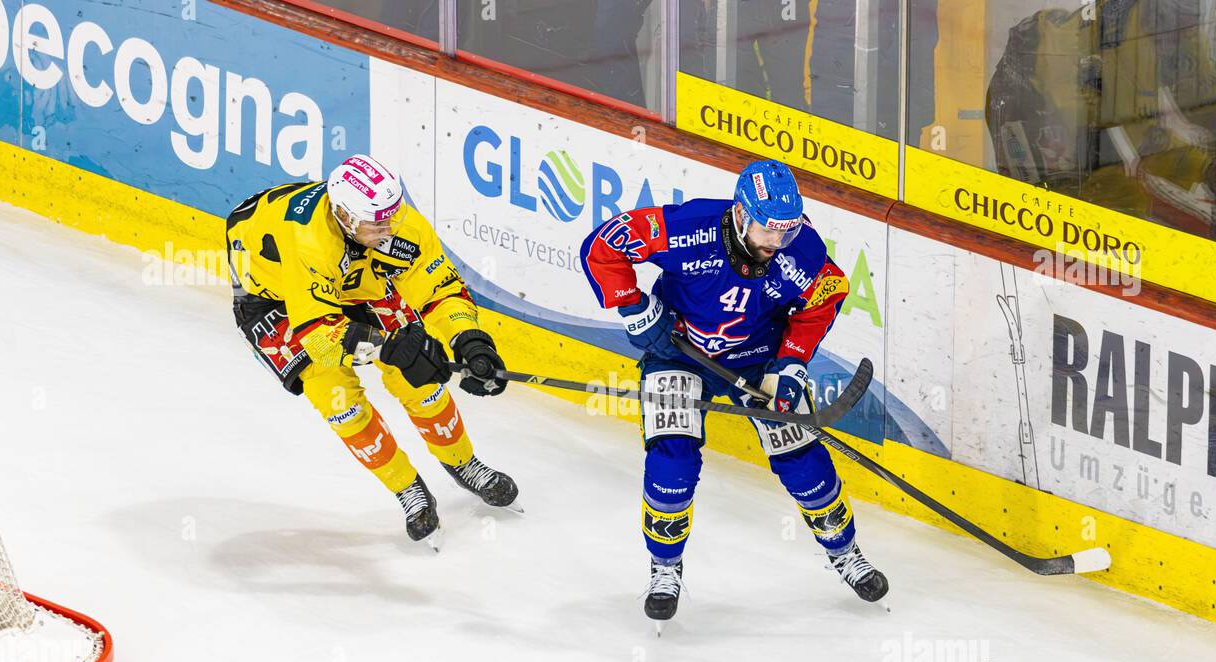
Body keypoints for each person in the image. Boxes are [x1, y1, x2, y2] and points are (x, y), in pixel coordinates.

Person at [579, 159, 888, 623]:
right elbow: (602, 246)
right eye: (769, 232)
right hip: (677, 352)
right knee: (673, 459)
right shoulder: (688, 228)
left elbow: (826, 294)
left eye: (785, 233)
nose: (776, 244)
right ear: (742, 214)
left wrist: (791, 363)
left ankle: (845, 553)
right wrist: (636, 310)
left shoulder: (799, 249)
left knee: (802, 459)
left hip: (759, 359)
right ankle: (665, 567)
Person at [226, 154, 519, 548]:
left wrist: (470, 340)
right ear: (344, 216)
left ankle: (463, 463)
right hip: (276, 296)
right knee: (337, 398)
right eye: (378, 222)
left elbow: (440, 289)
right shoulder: (309, 241)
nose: (391, 228)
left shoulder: (392, 225)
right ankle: (407, 489)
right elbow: (319, 335)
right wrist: (388, 349)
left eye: (393, 216)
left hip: (353, 278)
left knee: (420, 378)